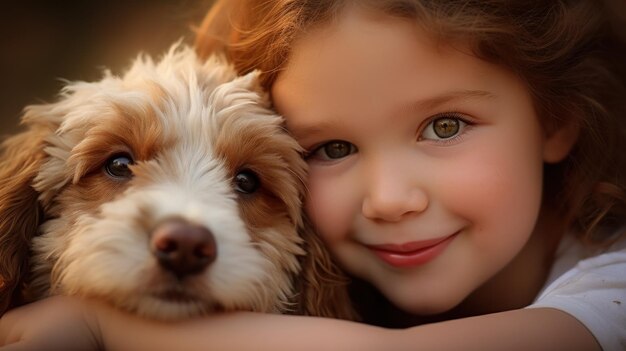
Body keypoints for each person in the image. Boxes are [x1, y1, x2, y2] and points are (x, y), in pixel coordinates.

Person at [1, 0, 625, 350]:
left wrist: (101, 326)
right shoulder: (353, 273)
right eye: (330, 148)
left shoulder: (615, 292)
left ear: (556, 117)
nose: (390, 200)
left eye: (444, 126)